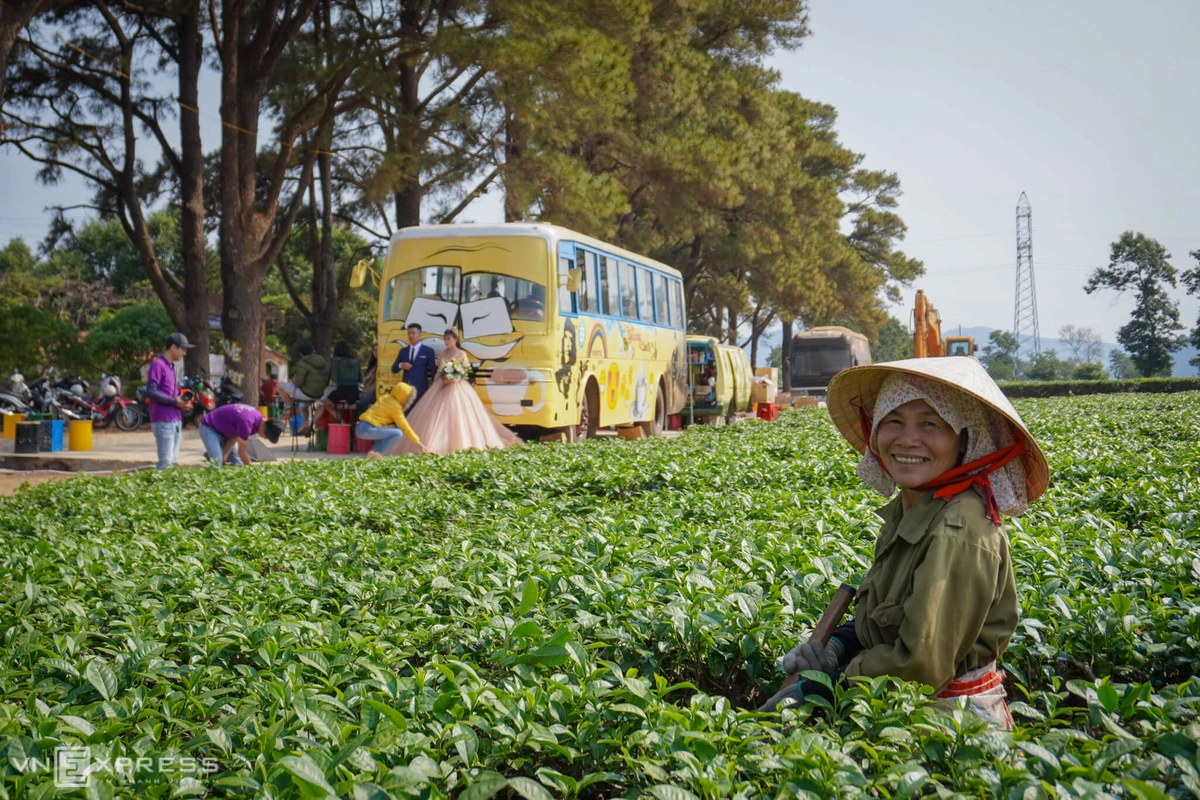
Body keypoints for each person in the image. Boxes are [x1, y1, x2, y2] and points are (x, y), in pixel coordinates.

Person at [761, 357, 1049, 730]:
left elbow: (920, 665)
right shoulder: (914, 507)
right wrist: (840, 644)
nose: (907, 439)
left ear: (966, 437)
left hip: (945, 729)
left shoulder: (958, 529)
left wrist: (828, 680)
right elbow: (890, 620)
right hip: (894, 711)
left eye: (930, 423)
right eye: (893, 420)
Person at [385, 327, 521, 456]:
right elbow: (438, 372)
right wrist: (438, 381)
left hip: (457, 388)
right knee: (436, 418)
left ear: (455, 339)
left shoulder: (461, 354)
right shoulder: (443, 354)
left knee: (460, 417)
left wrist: (454, 377)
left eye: (448, 339)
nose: (446, 342)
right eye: (445, 339)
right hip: (441, 387)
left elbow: (465, 371)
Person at [145, 332, 195, 469]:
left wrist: (182, 404)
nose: (184, 353)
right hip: (163, 419)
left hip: (175, 419)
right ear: (173, 347)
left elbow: (172, 394)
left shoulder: (171, 367)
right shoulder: (158, 365)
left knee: (171, 461)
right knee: (166, 462)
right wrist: (175, 402)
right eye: (182, 349)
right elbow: (151, 391)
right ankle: (160, 490)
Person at [199, 403, 284, 467]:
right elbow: (242, 452)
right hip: (209, 427)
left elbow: (234, 435)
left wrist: (225, 454)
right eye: (267, 435)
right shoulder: (247, 423)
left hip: (226, 432)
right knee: (217, 463)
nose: (265, 438)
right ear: (265, 423)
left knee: (238, 463)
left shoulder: (258, 419)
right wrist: (251, 471)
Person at [355, 381, 427, 457]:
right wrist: (420, 444)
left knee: (394, 428)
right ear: (404, 398)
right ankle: (376, 453)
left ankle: (373, 453)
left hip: (361, 427)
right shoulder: (395, 407)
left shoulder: (385, 397)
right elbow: (406, 427)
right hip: (367, 429)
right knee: (398, 433)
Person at [280, 342, 330, 434]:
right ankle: (305, 422)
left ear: (300, 354)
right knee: (304, 405)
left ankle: (292, 405)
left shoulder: (302, 362)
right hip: (320, 394)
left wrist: (295, 382)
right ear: (314, 351)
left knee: (279, 385)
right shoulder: (323, 361)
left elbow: (299, 383)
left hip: (306, 394)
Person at [313, 341, 361, 427]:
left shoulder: (335, 361)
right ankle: (344, 424)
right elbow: (360, 378)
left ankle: (311, 426)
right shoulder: (356, 362)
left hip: (342, 391)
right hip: (354, 392)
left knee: (325, 404)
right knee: (331, 405)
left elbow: (334, 378)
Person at [391, 324, 436, 401]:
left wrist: (434, 387)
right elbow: (394, 369)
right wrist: (401, 365)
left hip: (421, 389)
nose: (410, 336)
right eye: (409, 333)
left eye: (413, 333)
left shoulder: (428, 351)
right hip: (405, 391)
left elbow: (433, 371)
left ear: (419, 334)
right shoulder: (403, 351)